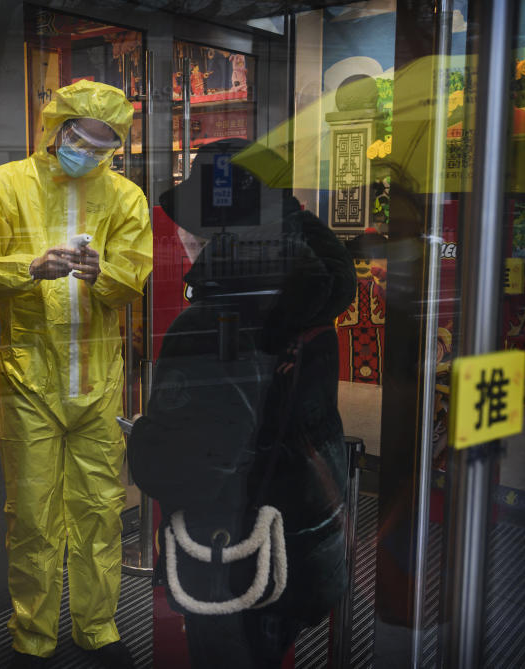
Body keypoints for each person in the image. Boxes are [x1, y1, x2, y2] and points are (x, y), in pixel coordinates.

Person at [128, 141, 356, 668]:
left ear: (213, 233)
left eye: (188, 221)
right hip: (307, 535)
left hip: (237, 558)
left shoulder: (214, 320)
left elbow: (185, 467)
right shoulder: (305, 294)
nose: (181, 235)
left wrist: (143, 434)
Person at [0, 80, 153, 668]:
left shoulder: (125, 198)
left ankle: (98, 628)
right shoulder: (3, 187)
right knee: (34, 518)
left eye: (103, 146)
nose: (88, 154)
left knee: (100, 512)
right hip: (28, 380)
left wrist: (103, 273)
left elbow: (134, 279)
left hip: (98, 381)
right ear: (57, 128)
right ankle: (34, 638)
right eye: (81, 139)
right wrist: (30, 267)